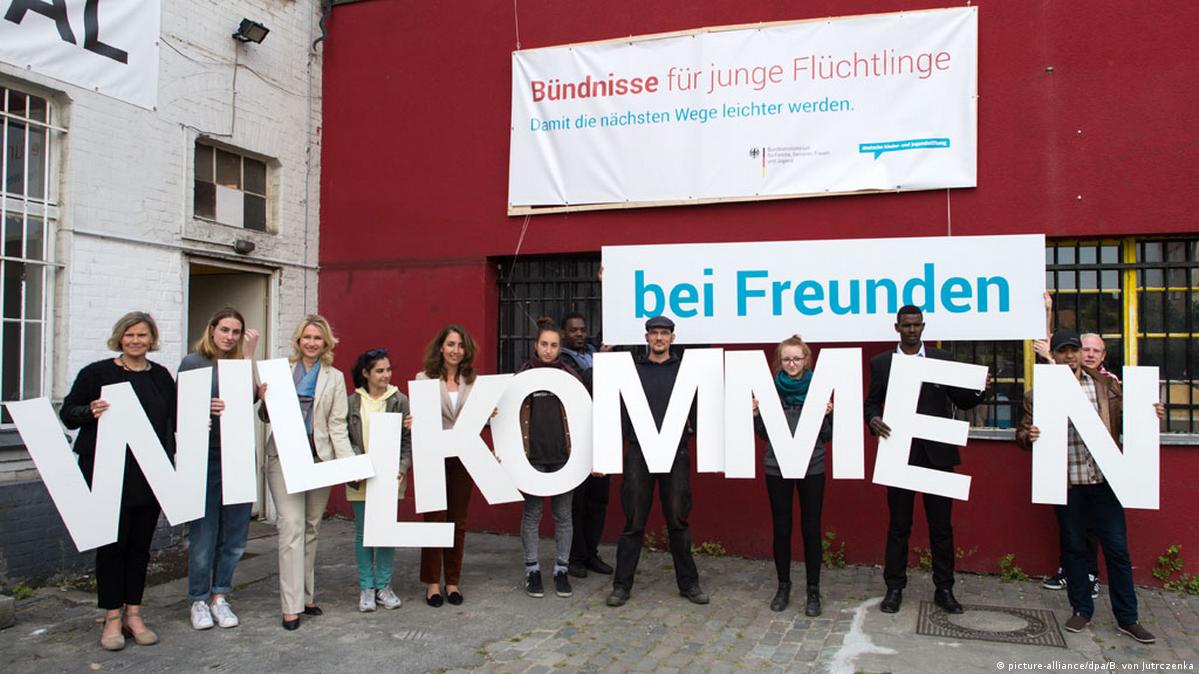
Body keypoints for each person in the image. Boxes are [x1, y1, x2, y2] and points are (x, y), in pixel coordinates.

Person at [1016, 329, 1164, 644]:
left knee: (1117, 550)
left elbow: (1131, 420)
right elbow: (1023, 435)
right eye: (1063, 351)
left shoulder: (1106, 386)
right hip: (1067, 483)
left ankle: (1128, 618)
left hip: (1105, 481)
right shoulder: (1037, 394)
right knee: (1074, 548)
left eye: (1075, 350)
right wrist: (1029, 435)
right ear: (1054, 356)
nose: (1071, 356)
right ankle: (1081, 609)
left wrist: (1152, 413)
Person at [60, 311, 175, 650]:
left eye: (142, 335)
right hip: (107, 471)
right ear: (120, 338)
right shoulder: (96, 373)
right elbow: (68, 413)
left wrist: (206, 415)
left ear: (151, 339)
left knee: (139, 547)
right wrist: (90, 411)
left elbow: (176, 417)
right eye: (130, 335)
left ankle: (134, 614)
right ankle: (111, 617)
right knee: (112, 546)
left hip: (149, 474)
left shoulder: (161, 376)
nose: (136, 341)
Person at [865, 305, 987, 615]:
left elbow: (961, 399)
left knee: (941, 526)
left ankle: (944, 589)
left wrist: (979, 390)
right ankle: (894, 588)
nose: (911, 330)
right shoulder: (882, 363)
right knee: (899, 526)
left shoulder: (941, 359)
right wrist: (873, 419)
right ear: (897, 327)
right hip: (899, 453)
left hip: (938, 453)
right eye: (906, 325)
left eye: (916, 325)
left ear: (923, 326)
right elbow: (871, 403)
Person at [607, 316, 707, 607]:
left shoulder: (685, 371)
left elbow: (700, 411)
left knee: (678, 519)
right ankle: (621, 586)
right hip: (639, 450)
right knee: (633, 520)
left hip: (676, 451)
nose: (659, 338)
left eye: (664, 333)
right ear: (646, 337)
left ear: (673, 338)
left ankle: (689, 584)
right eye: (654, 333)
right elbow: (618, 411)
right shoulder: (633, 371)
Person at [262, 315, 354, 630]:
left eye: (317, 338)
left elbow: (337, 424)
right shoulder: (281, 371)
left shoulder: (334, 377)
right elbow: (265, 415)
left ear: (326, 342)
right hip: (283, 458)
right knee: (291, 526)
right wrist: (263, 397)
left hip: (319, 458)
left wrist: (346, 463)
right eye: (307, 337)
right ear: (298, 340)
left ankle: (306, 596)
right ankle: (290, 607)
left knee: (312, 528)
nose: (312, 343)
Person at [181, 307, 260, 630]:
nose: (229, 336)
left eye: (235, 332)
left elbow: (252, 397)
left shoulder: (242, 362)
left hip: (238, 453)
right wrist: (203, 405)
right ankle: (198, 599)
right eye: (224, 329)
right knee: (204, 532)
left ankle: (220, 595)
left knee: (235, 533)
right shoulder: (193, 362)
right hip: (206, 455)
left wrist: (250, 355)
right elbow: (179, 408)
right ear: (212, 329)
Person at [753, 335, 832, 616]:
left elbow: (828, 436)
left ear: (806, 359)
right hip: (777, 464)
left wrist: (827, 415)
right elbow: (764, 434)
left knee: (811, 528)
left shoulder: (819, 388)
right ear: (780, 361)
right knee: (782, 527)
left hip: (813, 464)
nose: (792, 364)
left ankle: (813, 591)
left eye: (797, 358)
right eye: (786, 359)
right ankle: (783, 586)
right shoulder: (770, 390)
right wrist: (756, 415)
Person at [517, 318, 581, 598]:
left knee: (563, 515)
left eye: (554, 345)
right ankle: (532, 570)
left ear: (560, 348)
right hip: (532, 457)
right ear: (536, 345)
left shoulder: (570, 376)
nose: (548, 350)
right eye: (544, 344)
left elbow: (583, 414)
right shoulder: (523, 375)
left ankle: (561, 570)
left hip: (563, 457)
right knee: (532, 514)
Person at [418, 324, 480, 607]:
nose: (456, 350)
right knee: (434, 519)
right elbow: (421, 416)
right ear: (441, 347)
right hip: (433, 455)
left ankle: (452, 581)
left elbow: (476, 418)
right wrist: (414, 420)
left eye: (461, 345)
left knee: (458, 521)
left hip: (463, 457)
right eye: (451, 344)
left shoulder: (473, 381)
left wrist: (488, 412)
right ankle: (432, 583)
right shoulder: (424, 379)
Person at [345, 348, 412, 612]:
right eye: (380, 371)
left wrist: (402, 467)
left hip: (390, 478)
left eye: (388, 369)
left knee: (384, 532)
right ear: (366, 373)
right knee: (364, 533)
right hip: (361, 478)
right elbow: (345, 437)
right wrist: (355, 464)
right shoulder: (352, 402)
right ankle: (367, 587)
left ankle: (384, 586)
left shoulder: (399, 400)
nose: (386, 375)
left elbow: (407, 441)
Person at [559, 311, 613, 579]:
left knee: (598, 499)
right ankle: (576, 557)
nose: (579, 333)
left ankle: (591, 553)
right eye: (573, 330)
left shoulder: (594, 352)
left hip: (602, 435)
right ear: (564, 334)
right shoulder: (562, 361)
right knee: (576, 502)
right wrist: (602, 362)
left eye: (582, 329)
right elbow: (585, 386)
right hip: (576, 439)